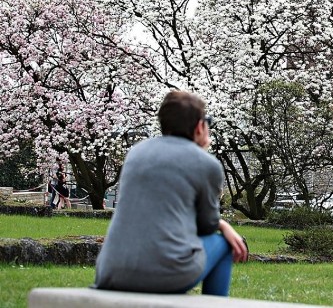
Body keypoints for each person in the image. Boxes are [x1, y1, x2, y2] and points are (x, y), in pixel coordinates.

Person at [94, 90, 248, 296]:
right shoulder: (207, 164)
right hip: (165, 274)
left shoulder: (136, 153)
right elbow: (207, 226)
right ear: (200, 126)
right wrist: (224, 225)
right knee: (223, 244)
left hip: (111, 272)